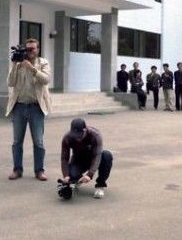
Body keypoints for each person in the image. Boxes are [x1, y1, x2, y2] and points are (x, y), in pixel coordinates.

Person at [6, 38, 51, 181]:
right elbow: (10, 82)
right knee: (17, 141)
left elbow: (46, 80)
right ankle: (17, 170)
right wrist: (14, 65)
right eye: (28, 49)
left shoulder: (43, 63)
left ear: (38, 49)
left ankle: (39, 171)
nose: (30, 51)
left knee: (38, 141)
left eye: (33, 49)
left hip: (36, 107)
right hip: (19, 106)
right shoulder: (18, 64)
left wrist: (31, 69)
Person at [59, 118, 113, 199]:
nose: (78, 138)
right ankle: (77, 180)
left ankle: (100, 185)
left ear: (85, 130)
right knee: (71, 175)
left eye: (80, 135)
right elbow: (64, 158)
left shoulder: (95, 135)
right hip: (78, 160)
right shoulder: (67, 138)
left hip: (94, 159)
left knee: (106, 155)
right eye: (75, 136)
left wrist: (89, 175)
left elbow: (97, 156)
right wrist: (66, 175)